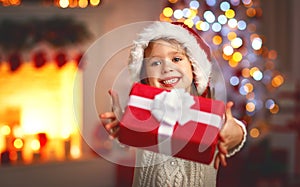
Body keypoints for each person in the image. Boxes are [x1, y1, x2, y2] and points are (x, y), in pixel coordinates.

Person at [100, 21, 247, 187]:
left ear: (194, 66)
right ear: (145, 74)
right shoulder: (143, 110)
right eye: (155, 62)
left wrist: (233, 132)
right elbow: (126, 139)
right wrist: (123, 126)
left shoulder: (209, 115)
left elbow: (235, 130)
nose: (167, 68)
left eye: (176, 59)